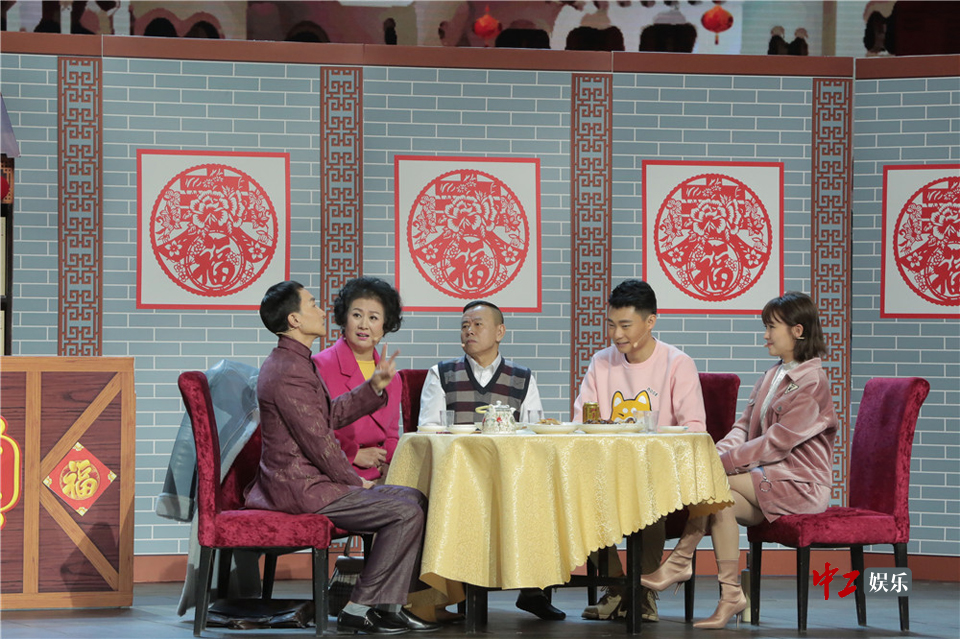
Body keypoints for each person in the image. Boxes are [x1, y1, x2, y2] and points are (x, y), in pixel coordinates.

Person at [245, 280, 439, 635]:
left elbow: (328, 415)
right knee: (406, 511)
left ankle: (387, 606)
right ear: (294, 320)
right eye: (312, 304)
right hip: (301, 488)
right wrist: (356, 481)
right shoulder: (289, 370)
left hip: (313, 483)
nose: (322, 311)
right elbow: (319, 442)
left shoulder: (296, 362)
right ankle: (358, 608)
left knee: (415, 499)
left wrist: (374, 386)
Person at [641, 291, 838, 629]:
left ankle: (681, 559)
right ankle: (730, 594)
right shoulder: (772, 375)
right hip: (768, 480)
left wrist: (719, 466)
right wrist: (712, 456)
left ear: (798, 331)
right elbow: (743, 428)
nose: (765, 335)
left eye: (772, 327)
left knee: (716, 483)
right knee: (722, 501)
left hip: (800, 484)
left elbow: (775, 444)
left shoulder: (812, 383)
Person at [418, 300, 563, 622]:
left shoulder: (522, 377)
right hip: (458, 477)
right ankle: (453, 592)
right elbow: (430, 428)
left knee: (540, 495)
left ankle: (533, 590)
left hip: (510, 476)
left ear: (500, 332)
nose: (468, 330)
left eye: (477, 324)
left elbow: (532, 430)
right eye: (464, 325)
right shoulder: (441, 373)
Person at [572, 279, 706, 623]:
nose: (616, 335)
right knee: (574, 495)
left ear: (650, 321)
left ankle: (643, 591)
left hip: (658, 472)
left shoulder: (677, 363)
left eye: (625, 325)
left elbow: (694, 427)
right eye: (611, 325)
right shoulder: (601, 362)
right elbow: (582, 420)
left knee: (651, 497)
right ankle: (619, 586)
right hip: (607, 468)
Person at [314, 277, 404, 485]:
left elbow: (391, 436)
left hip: (379, 475)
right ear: (344, 319)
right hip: (335, 473)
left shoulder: (393, 378)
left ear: (384, 325)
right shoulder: (319, 366)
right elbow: (311, 430)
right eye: (356, 315)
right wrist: (353, 454)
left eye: (373, 318)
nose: (364, 325)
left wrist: (391, 465)